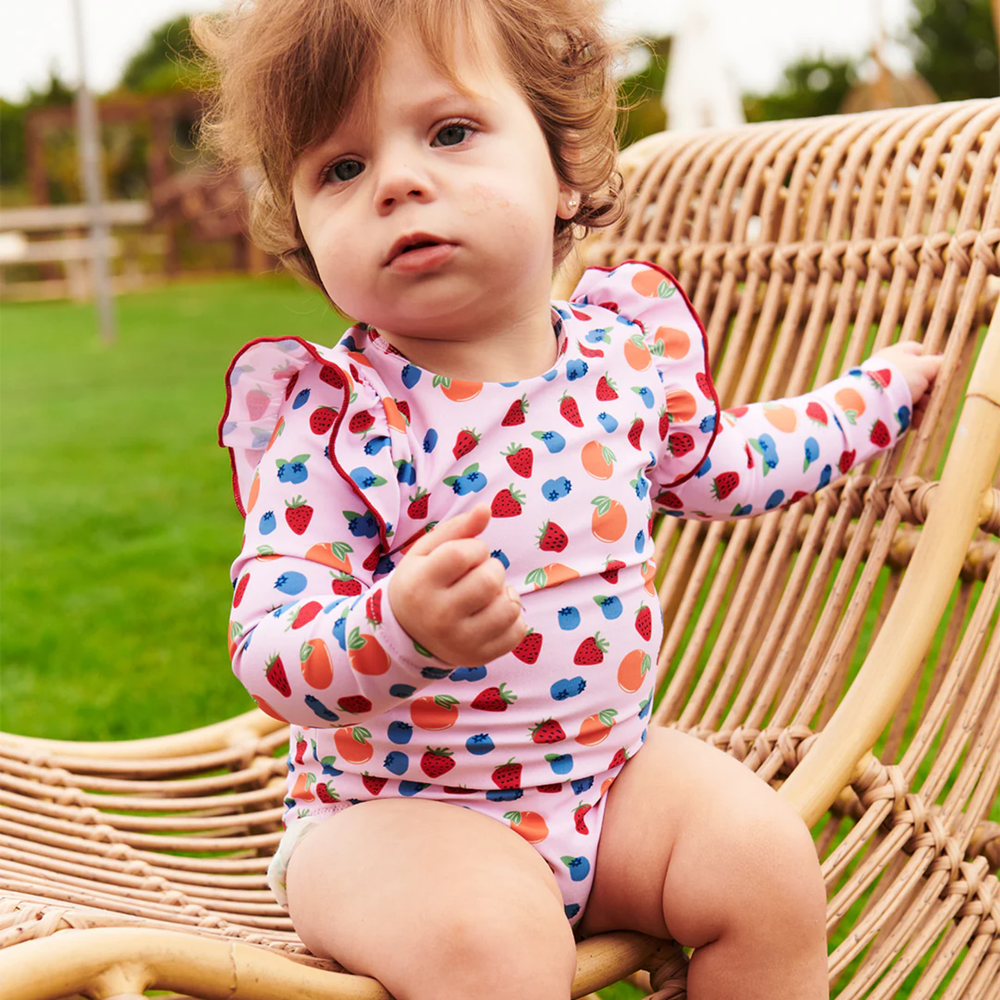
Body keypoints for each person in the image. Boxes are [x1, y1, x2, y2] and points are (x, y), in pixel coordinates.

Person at [196, 2, 942, 997]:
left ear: (565, 172)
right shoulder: (335, 418)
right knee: (499, 945)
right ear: (302, 228)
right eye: (342, 168)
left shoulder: (619, 361)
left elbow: (729, 462)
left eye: (451, 131)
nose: (400, 182)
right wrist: (396, 625)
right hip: (387, 820)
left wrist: (872, 400)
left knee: (762, 858)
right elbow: (269, 648)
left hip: (604, 784)